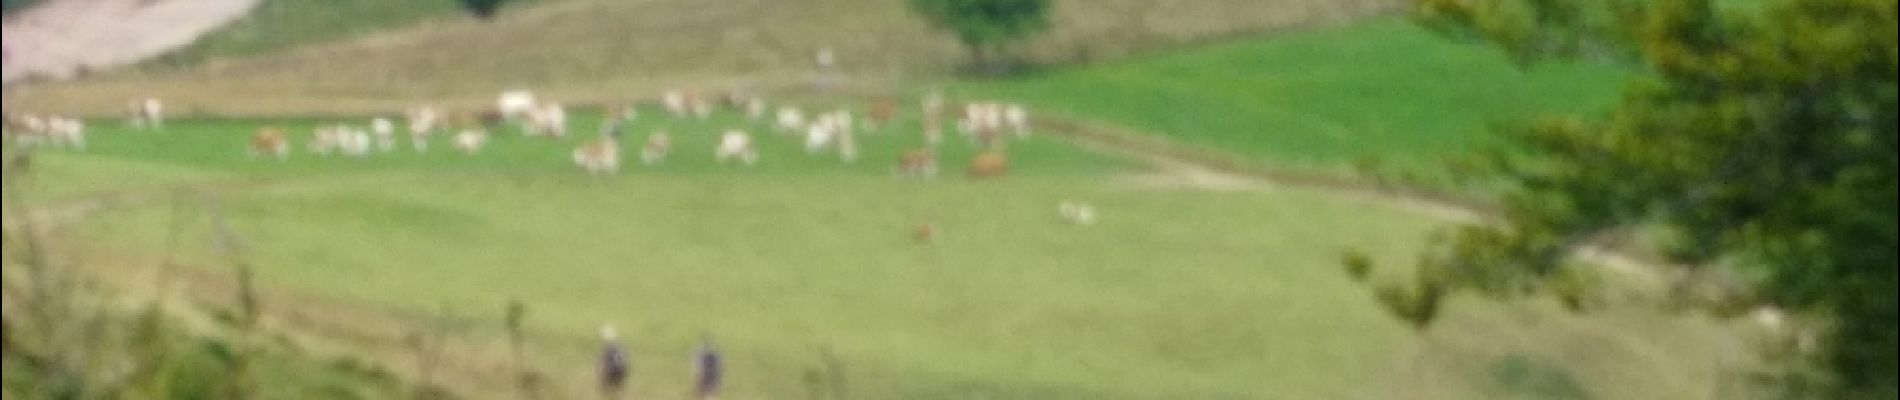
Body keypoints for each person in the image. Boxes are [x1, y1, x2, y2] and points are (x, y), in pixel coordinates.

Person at [599, 325, 629, 399]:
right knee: (618, 389)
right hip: (622, 371)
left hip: (613, 371)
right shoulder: (620, 347)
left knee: (607, 389)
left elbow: (603, 363)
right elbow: (625, 360)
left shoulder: (608, 349)